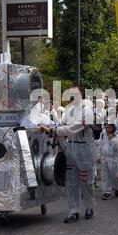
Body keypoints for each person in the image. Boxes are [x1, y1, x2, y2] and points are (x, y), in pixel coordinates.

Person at [40, 86, 96, 223]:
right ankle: (74, 211)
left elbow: (72, 129)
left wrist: (54, 131)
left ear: (81, 95)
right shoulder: (69, 111)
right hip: (71, 148)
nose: (73, 97)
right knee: (71, 182)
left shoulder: (87, 111)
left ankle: (89, 206)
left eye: (75, 94)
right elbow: (61, 125)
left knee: (86, 181)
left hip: (85, 150)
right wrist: (60, 141)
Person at [97, 123, 118, 200]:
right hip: (105, 158)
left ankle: (117, 187)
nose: (107, 129)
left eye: (109, 128)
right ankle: (106, 191)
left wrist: (112, 139)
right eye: (106, 127)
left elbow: (116, 147)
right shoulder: (103, 135)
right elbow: (100, 145)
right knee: (105, 176)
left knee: (115, 176)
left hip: (114, 159)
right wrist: (98, 156)